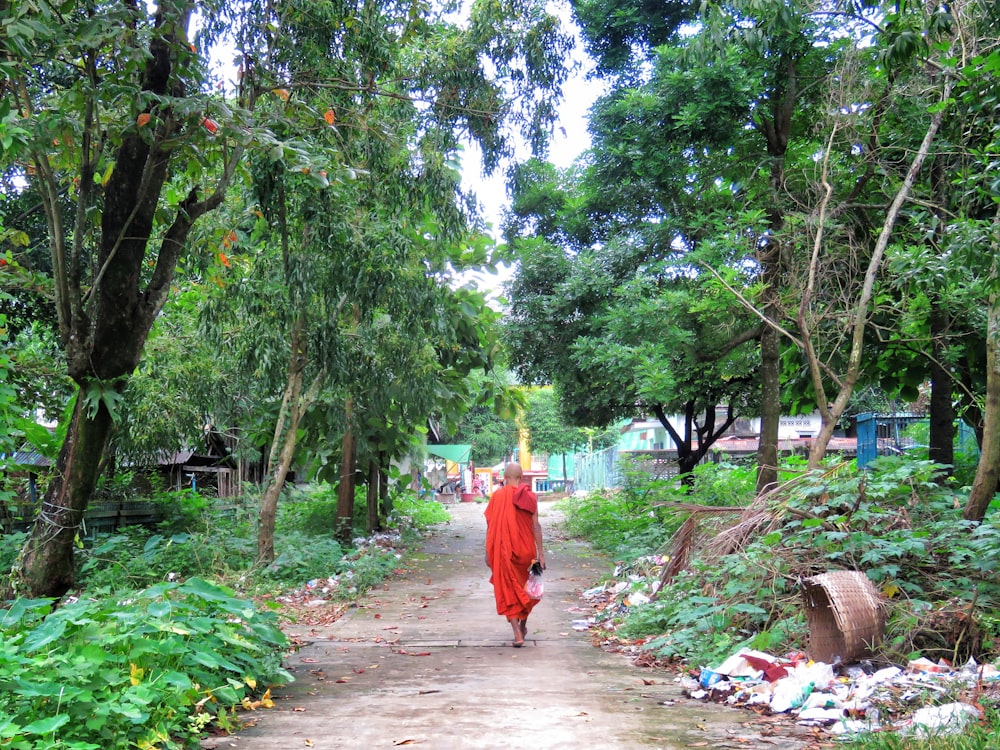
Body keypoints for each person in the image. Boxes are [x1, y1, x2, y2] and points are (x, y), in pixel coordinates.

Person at [484, 462, 546, 647]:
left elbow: (490, 527)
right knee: (531, 589)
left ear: (504, 477)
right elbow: (536, 526)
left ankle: (517, 633)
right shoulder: (529, 496)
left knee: (508, 588)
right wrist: (541, 554)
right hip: (529, 552)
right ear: (521, 477)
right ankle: (523, 625)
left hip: (504, 552)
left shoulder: (497, 497)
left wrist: (488, 552)